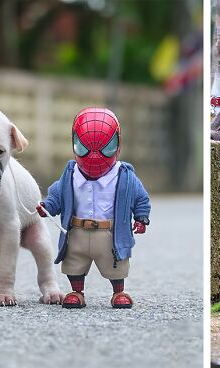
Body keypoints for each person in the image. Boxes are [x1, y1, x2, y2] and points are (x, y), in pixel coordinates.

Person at [37, 107, 150, 309]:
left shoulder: (124, 176)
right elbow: (57, 195)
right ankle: (77, 292)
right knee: (74, 262)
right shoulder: (70, 175)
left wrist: (141, 218)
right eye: (84, 148)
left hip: (109, 232)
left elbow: (140, 197)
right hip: (77, 231)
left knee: (115, 264)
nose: (95, 156)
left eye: (106, 148)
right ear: (74, 144)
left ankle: (118, 291)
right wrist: (47, 206)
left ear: (117, 144)